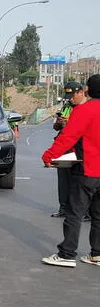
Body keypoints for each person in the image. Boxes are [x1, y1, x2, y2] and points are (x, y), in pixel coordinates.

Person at [41, 74, 100, 268]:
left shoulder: (85, 111)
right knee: (98, 215)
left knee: (74, 212)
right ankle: (97, 254)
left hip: (87, 170)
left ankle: (67, 254)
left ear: (87, 90)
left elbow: (68, 137)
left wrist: (49, 156)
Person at [50, 81, 87, 218]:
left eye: (72, 95)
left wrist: (69, 123)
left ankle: (84, 211)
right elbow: (56, 128)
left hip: (81, 149)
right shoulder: (67, 106)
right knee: (63, 179)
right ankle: (64, 208)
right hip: (65, 148)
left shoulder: (87, 108)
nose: (70, 98)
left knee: (80, 181)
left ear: (80, 92)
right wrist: (60, 123)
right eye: (68, 95)